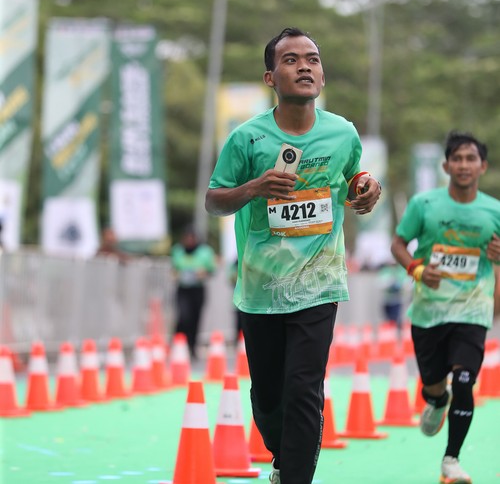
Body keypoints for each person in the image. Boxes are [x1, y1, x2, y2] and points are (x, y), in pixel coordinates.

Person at [205, 27, 381, 484]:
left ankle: (296, 476)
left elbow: (353, 177)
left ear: (321, 75)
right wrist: (254, 188)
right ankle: (284, 461)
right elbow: (214, 201)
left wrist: (366, 188)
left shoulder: (342, 133)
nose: (304, 66)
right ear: (270, 78)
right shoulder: (247, 139)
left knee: (304, 389)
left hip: (319, 282)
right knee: (268, 399)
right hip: (261, 288)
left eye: (312, 59)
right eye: (291, 60)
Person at [391, 130, 500, 484]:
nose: (464, 165)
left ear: (482, 166)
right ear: (446, 166)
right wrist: (417, 269)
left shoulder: (494, 210)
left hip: (473, 309)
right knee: (435, 385)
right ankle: (437, 400)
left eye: (471, 159)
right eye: (457, 159)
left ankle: (451, 460)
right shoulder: (424, 204)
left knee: (465, 380)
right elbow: (398, 243)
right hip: (429, 312)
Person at [171, 225, 217, 359]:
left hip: (197, 289)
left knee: (195, 318)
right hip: (183, 289)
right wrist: (177, 275)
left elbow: (212, 270)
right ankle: (179, 343)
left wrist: (203, 273)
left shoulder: (205, 251)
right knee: (184, 316)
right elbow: (174, 269)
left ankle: (192, 346)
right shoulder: (178, 250)